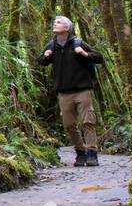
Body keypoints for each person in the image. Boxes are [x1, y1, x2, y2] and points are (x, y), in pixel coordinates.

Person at [39, 16, 104, 166]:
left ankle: (92, 153)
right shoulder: (52, 45)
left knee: (88, 122)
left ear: (67, 28)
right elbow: (41, 62)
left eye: (59, 22)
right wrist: (45, 56)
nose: (55, 23)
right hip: (63, 92)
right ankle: (80, 153)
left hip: (82, 90)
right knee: (69, 125)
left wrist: (85, 54)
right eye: (54, 21)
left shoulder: (78, 43)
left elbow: (99, 57)